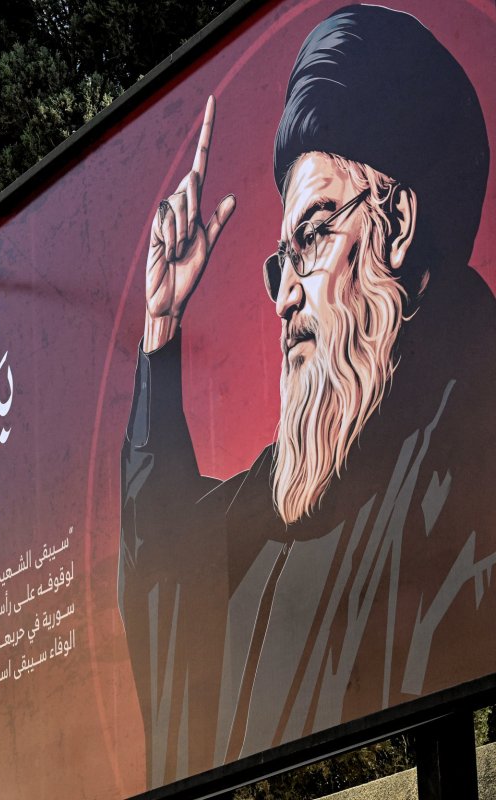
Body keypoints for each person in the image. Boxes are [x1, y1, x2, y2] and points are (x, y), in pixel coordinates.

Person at [119, 5, 496, 787]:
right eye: (277, 263)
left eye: (312, 235)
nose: (284, 294)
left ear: (396, 222)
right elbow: (169, 560)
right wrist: (160, 331)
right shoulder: (295, 489)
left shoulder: (474, 437)